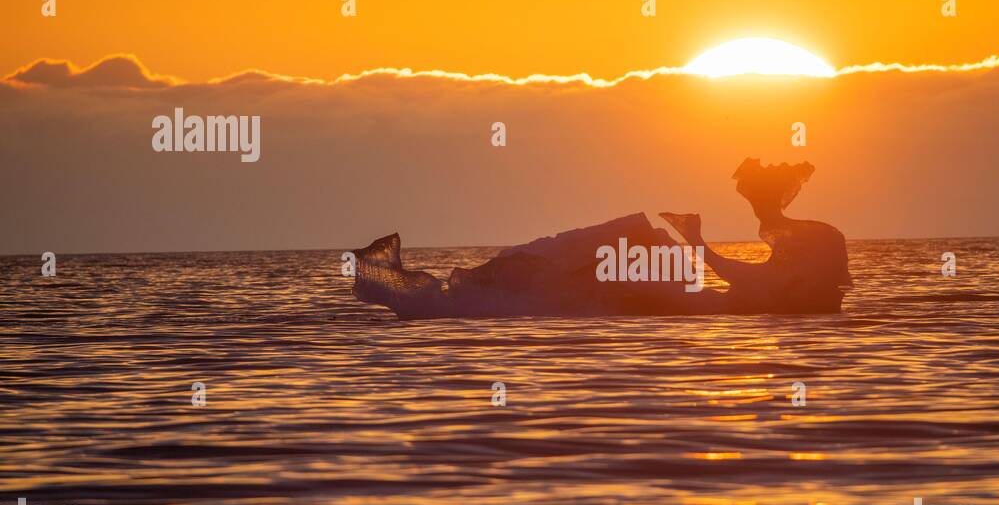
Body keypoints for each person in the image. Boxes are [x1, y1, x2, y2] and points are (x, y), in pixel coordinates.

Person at [351, 158, 851, 318]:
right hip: (681, 301)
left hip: (682, 305)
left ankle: (419, 295)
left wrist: (696, 240)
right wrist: (694, 241)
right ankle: (426, 294)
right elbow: (740, 277)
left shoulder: (786, 294)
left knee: (622, 251)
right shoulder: (791, 287)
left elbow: (737, 279)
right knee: (628, 243)